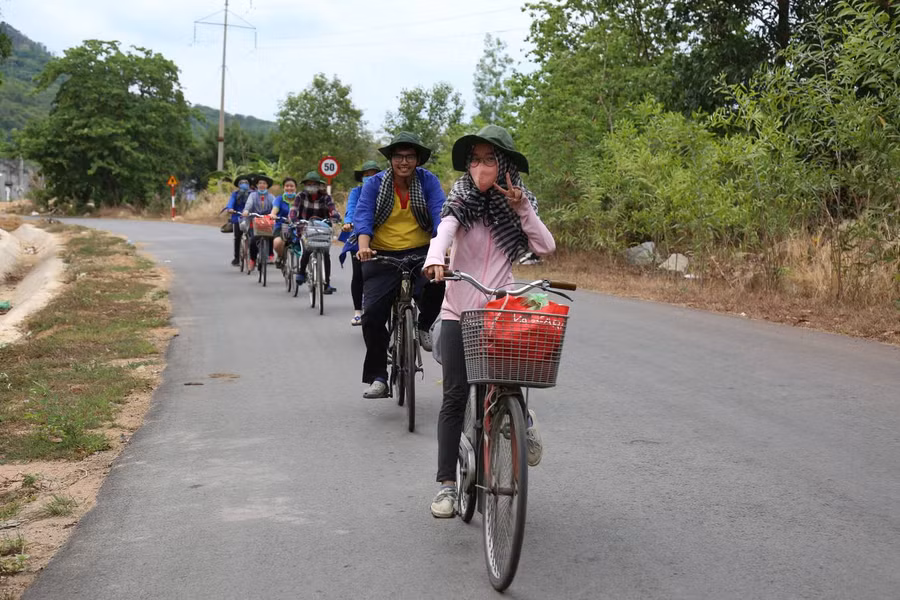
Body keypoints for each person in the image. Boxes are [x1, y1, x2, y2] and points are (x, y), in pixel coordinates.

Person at [423, 125, 556, 518]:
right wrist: (436, 258)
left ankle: (522, 419)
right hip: (458, 311)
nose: (482, 167)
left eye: (490, 159)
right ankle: (447, 485)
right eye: (476, 159)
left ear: (505, 165)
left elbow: (545, 246)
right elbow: (444, 230)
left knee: (509, 377)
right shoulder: (461, 199)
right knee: (454, 398)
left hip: (500, 309)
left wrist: (521, 208)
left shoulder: (517, 204)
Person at [354, 132, 446, 399]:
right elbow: (363, 214)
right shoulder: (375, 184)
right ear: (391, 159)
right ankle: (378, 377)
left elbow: (440, 211)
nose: (403, 162)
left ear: (417, 160)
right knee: (371, 316)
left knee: (438, 281)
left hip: (421, 251)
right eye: (398, 156)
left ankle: (423, 324)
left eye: (409, 156)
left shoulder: (428, 181)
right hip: (381, 253)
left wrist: (442, 248)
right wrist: (363, 246)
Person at [340, 160, 382, 326]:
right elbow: (352, 209)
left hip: (383, 236)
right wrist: (348, 221)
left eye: (373, 175)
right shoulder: (356, 192)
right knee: (359, 273)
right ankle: (358, 312)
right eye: (366, 175)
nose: (370, 178)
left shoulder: (386, 191)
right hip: (359, 234)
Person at [290, 171, 340, 294]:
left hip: (322, 228)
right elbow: (293, 211)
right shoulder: (300, 196)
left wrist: (335, 216)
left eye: (314, 184)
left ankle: (326, 284)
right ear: (305, 185)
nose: (311, 186)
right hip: (305, 227)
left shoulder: (326, 197)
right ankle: (302, 273)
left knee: (326, 253)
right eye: (309, 184)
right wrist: (294, 220)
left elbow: (332, 209)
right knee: (307, 249)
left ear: (319, 185)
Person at [241, 174, 276, 272]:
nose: (262, 185)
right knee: (253, 241)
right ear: (256, 185)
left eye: (264, 183)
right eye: (260, 183)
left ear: (267, 185)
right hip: (254, 221)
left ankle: (270, 254)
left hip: (268, 221)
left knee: (272, 235)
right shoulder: (252, 195)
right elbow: (249, 204)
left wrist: (274, 213)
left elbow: (275, 207)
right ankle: (252, 260)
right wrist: (246, 210)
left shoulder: (271, 197)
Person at [225, 173, 253, 266]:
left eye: (246, 182)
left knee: (253, 237)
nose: (244, 184)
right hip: (237, 216)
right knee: (237, 237)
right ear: (238, 185)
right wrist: (230, 208)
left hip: (250, 216)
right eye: (242, 183)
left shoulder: (252, 194)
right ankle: (237, 258)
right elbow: (230, 203)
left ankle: (253, 258)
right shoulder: (235, 194)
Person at [271, 177, 297, 268]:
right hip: (282, 226)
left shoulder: (300, 199)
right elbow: (275, 209)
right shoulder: (279, 199)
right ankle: (281, 256)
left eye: (292, 186)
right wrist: (273, 214)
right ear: (284, 187)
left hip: (297, 227)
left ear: (295, 188)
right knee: (277, 243)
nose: (289, 188)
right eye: (287, 186)